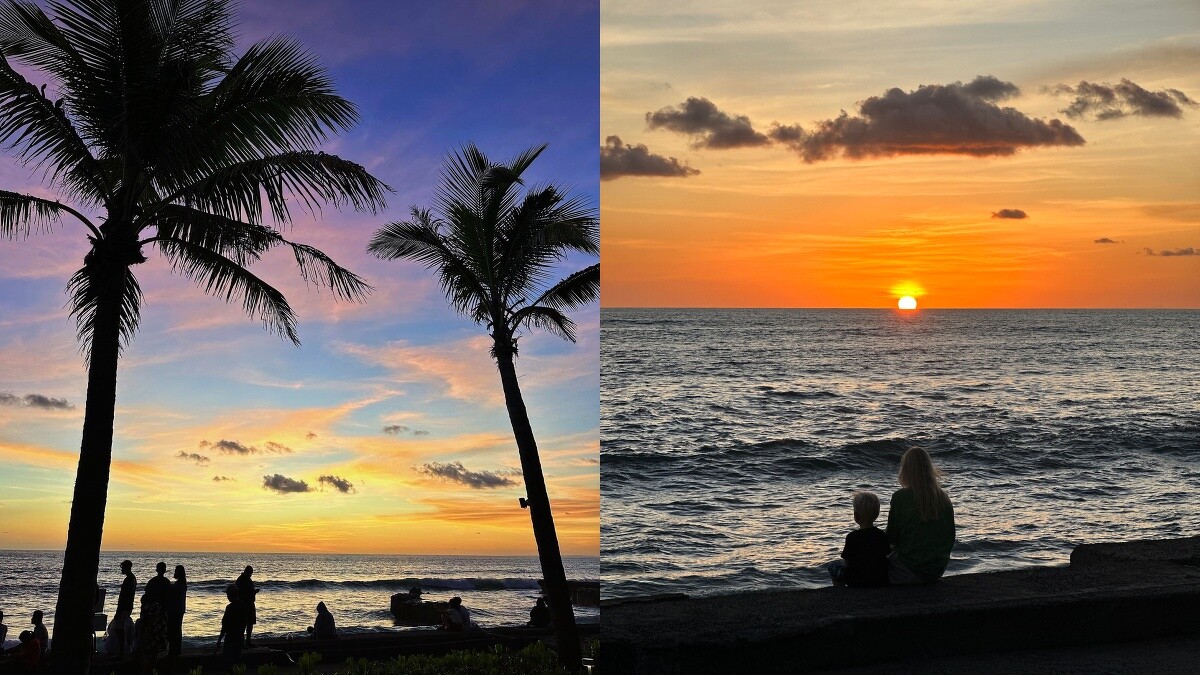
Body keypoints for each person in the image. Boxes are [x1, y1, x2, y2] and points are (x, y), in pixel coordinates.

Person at [886, 446, 956, 584]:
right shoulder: (943, 497)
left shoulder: (901, 497)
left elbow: (891, 537)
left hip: (909, 570)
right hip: (936, 570)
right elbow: (950, 537)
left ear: (906, 470)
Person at [827, 491, 891, 587]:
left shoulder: (852, 537)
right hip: (879, 579)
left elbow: (848, 561)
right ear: (877, 514)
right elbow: (886, 555)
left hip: (855, 581)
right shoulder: (882, 535)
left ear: (856, 516)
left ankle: (839, 590)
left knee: (833, 566)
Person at [215, 584, 246, 666]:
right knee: (237, 661)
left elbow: (225, 626)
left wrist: (219, 640)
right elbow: (244, 623)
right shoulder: (242, 605)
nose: (227, 596)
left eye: (228, 594)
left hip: (230, 638)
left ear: (231, 595)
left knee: (228, 661)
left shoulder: (229, 608)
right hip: (240, 637)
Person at [135, 595, 167, 674]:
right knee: (155, 654)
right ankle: (154, 670)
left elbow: (143, 621)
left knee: (147, 654)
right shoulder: (158, 606)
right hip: (160, 634)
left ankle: (146, 671)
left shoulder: (146, 607)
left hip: (151, 635)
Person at [114, 559, 137, 656]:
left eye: (123, 567)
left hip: (124, 607)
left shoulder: (129, 579)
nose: (122, 569)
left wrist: (118, 611)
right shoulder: (132, 578)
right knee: (120, 628)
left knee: (119, 628)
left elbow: (123, 597)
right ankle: (123, 651)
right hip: (128, 606)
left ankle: (121, 652)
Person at [234, 566, 258, 648]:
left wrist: (253, 592)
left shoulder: (246, 579)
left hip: (250, 603)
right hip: (245, 605)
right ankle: (242, 642)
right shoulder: (241, 580)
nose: (251, 575)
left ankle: (247, 641)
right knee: (243, 624)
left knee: (249, 623)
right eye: (250, 573)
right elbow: (239, 592)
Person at [167, 565, 187, 659]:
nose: (175, 572)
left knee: (174, 630)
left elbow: (174, 593)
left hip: (176, 610)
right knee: (177, 630)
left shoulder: (180, 584)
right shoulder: (182, 582)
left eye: (176, 571)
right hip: (179, 609)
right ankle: (176, 650)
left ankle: (173, 651)